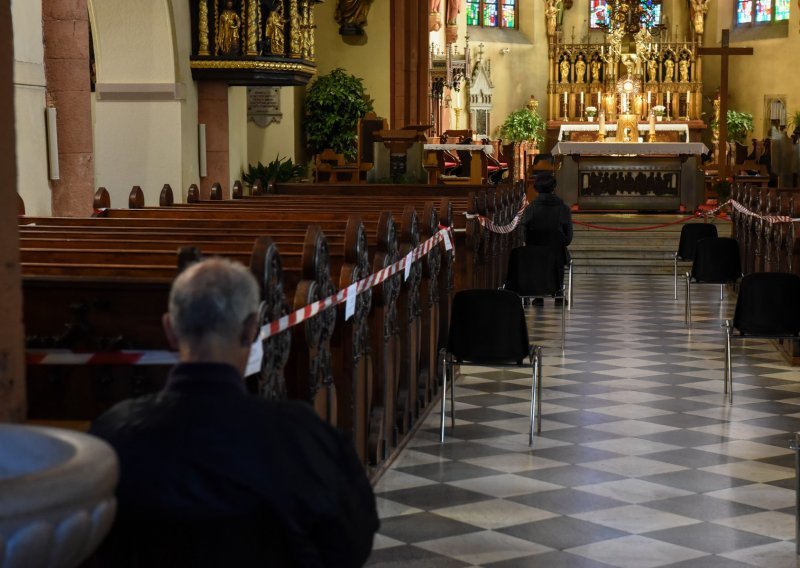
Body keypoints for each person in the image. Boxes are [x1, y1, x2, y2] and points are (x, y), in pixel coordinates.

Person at [90, 257, 379, 567]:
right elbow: (351, 541)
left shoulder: (113, 435)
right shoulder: (301, 435)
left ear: (170, 330)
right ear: (251, 330)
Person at [522, 172, 573, 304]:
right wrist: (559, 241)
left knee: (537, 257)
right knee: (558, 254)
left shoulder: (530, 209)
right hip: (557, 254)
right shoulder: (563, 208)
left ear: (536, 188)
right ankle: (558, 292)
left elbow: (524, 234)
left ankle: (539, 295)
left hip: (535, 253)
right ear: (554, 187)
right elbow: (569, 237)